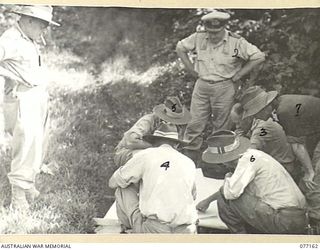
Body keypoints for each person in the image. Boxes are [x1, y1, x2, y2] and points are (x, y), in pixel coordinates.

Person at [176, 10, 265, 162]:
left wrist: (239, 75)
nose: (213, 35)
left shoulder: (235, 42)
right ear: (205, 28)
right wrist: (191, 70)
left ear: (224, 28)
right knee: (195, 123)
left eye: (217, 32)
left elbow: (258, 56)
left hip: (224, 87)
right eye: (210, 32)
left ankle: (216, 161)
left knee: (222, 126)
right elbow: (180, 47)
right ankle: (189, 159)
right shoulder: (198, 37)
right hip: (202, 85)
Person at [0, 5, 59, 210]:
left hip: (37, 95)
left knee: (38, 143)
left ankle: (28, 184)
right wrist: (9, 78)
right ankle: (18, 196)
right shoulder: (11, 39)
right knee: (25, 145)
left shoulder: (28, 37)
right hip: (23, 96)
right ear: (29, 19)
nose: (44, 29)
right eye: (43, 24)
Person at [197, 130, 307, 234]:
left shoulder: (247, 161)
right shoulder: (253, 155)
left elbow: (229, 193)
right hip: (298, 217)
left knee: (224, 198)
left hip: (283, 220)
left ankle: (242, 239)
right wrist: (208, 200)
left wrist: (228, 176)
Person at [108, 123, 198, 233]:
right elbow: (193, 195)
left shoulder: (146, 155)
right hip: (187, 229)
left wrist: (139, 182)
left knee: (123, 186)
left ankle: (129, 228)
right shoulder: (189, 162)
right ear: (176, 145)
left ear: (153, 142)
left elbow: (112, 182)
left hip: (156, 229)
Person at [230, 88, 318, 190]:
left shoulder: (283, 113)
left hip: (288, 164)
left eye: (255, 114)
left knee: (314, 184)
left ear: (263, 108)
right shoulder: (282, 103)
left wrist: (309, 172)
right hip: (313, 135)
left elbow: (297, 146)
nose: (257, 117)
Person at [114, 96, 191, 167]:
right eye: (170, 119)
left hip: (155, 152)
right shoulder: (148, 120)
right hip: (127, 152)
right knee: (152, 159)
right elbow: (130, 141)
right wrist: (158, 147)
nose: (172, 122)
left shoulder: (177, 127)